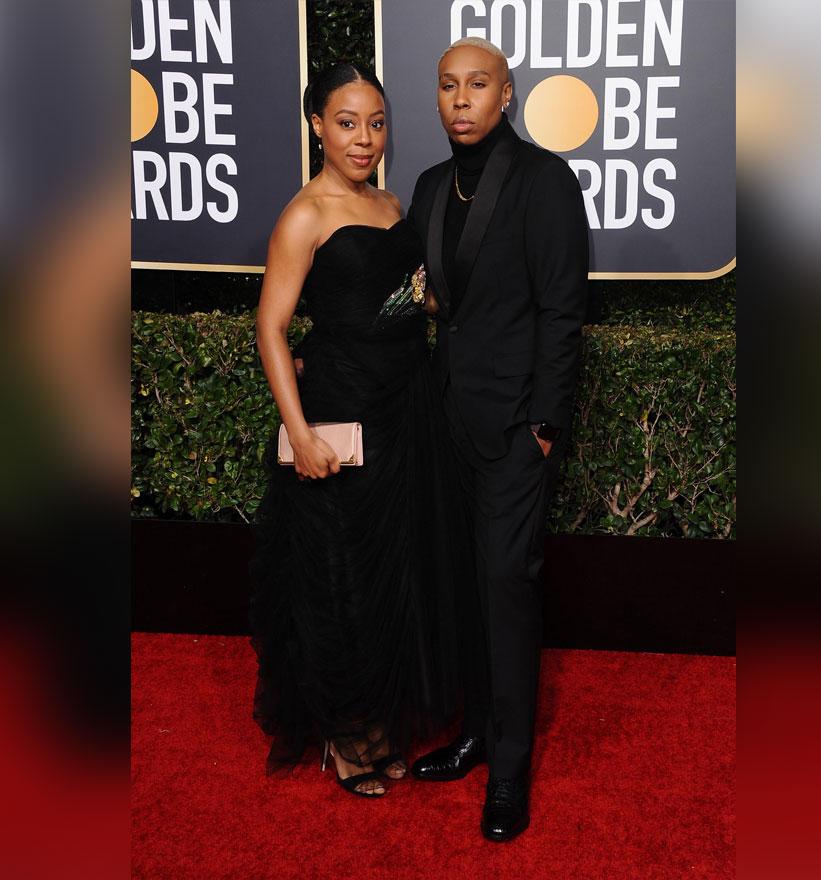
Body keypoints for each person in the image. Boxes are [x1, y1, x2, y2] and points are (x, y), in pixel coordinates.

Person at [249, 62, 462, 798]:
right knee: (344, 577)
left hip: (408, 406)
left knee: (396, 569)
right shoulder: (305, 213)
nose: (364, 138)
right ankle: (347, 737)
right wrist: (299, 430)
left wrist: (430, 299)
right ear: (316, 125)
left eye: (375, 123)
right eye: (347, 122)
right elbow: (271, 329)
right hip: (343, 411)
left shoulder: (390, 200)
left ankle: (383, 719)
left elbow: (404, 300)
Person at [406, 38, 591, 841]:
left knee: (506, 592)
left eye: (478, 84)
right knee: (463, 588)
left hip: (517, 430)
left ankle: (510, 770)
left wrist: (545, 424)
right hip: (446, 423)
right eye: (448, 85)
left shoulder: (546, 180)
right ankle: (476, 733)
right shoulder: (425, 188)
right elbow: (427, 303)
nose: (461, 99)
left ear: (506, 95)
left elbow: (562, 310)